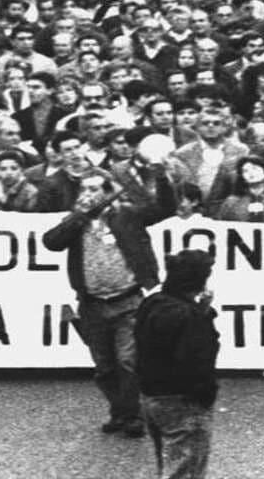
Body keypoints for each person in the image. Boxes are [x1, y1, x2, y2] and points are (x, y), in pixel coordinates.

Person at [41, 170, 171, 438]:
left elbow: (164, 208)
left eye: (94, 189)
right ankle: (120, 410)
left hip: (128, 300)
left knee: (128, 360)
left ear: (108, 192)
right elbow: (51, 242)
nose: (88, 195)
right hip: (92, 304)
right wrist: (80, 216)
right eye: (84, 190)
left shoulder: (127, 216)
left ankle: (132, 415)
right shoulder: (75, 223)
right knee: (104, 366)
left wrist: (161, 177)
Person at [135, 249, 220, 479]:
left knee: (169, 463)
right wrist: (205, 396)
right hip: (183, 401)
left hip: (152, 395)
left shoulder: (152, 303)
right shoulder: (188, 316)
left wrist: (199, 310)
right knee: (186, 470)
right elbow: (197, 359)